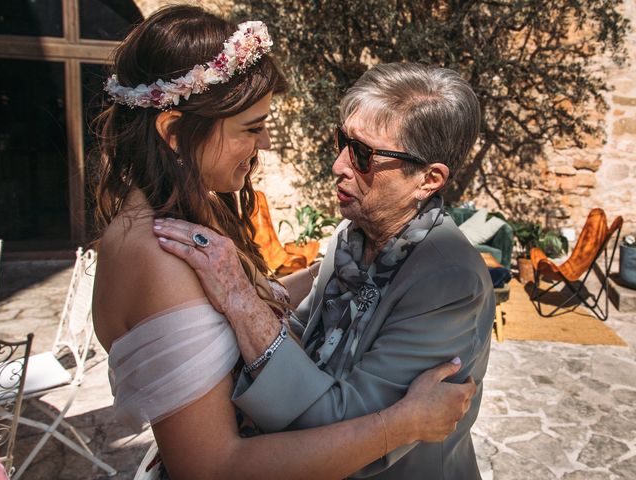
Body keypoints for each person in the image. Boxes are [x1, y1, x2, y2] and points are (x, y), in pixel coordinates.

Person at [91, 6, 476, 479]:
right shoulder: (161, 253)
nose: (336, 165)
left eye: (360, 154)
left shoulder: (445, 275)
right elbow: (213, 466)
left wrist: (253, 290)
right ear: (173, 133)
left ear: (429, 179)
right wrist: (404, 423)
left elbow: (284, 319)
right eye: (252, 127)